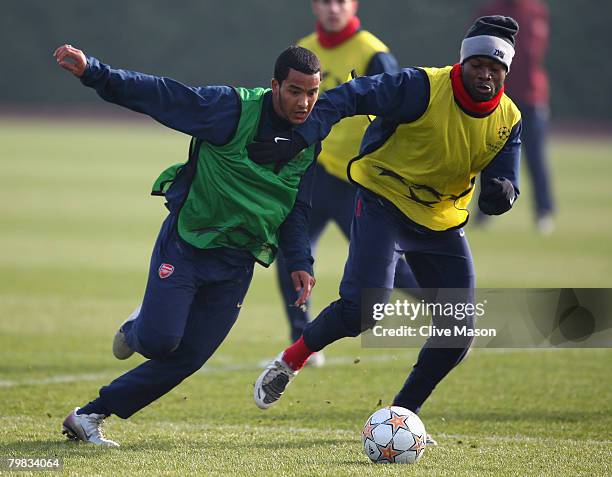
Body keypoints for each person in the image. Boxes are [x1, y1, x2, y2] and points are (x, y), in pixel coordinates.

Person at [252, 16, 522, 444]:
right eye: (478, 65)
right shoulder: (419, 87)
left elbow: (506, 176)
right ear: (463, 62)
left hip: (441, 221)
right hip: (384, 202)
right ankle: (291, 359)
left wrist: (503, 192)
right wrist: (304, 132)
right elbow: (353, 95)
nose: (485, 74)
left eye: (496, 68)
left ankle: (402, 416)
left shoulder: (509, 118)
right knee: (364, 309)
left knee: (458, 333)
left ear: (506, 72)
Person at [53, 44, 323, 446]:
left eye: (312, 92)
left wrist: (300, 259)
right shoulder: (231, 109)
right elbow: (163, 95)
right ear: (275, 86)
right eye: (295, 91)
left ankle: (90, 415)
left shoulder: (311, 135)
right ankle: (137, 327)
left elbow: (294, 204)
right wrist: (96, 72)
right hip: (189, 243)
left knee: (190, 357)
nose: (304, 102)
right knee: (160, 341)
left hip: (238, 262)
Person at [276, 0, 418, 361]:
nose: (333, 8)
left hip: (358, 181)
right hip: (315, 174)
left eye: (341, 1)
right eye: (326, 1)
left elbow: (398, 113)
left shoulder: (374, 54)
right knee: (291, 254)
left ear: (354, 4)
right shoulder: (305, 50)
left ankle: (451, 311)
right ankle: (302, 341)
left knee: (389, 268)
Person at [475, 0, 554, 233]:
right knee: (487, 153)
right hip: (500, 96)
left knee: (535, 157)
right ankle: (486, 209)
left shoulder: (535, 10)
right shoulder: (490, 11)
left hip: (530, 97)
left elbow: (534, 53)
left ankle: (543, 211)